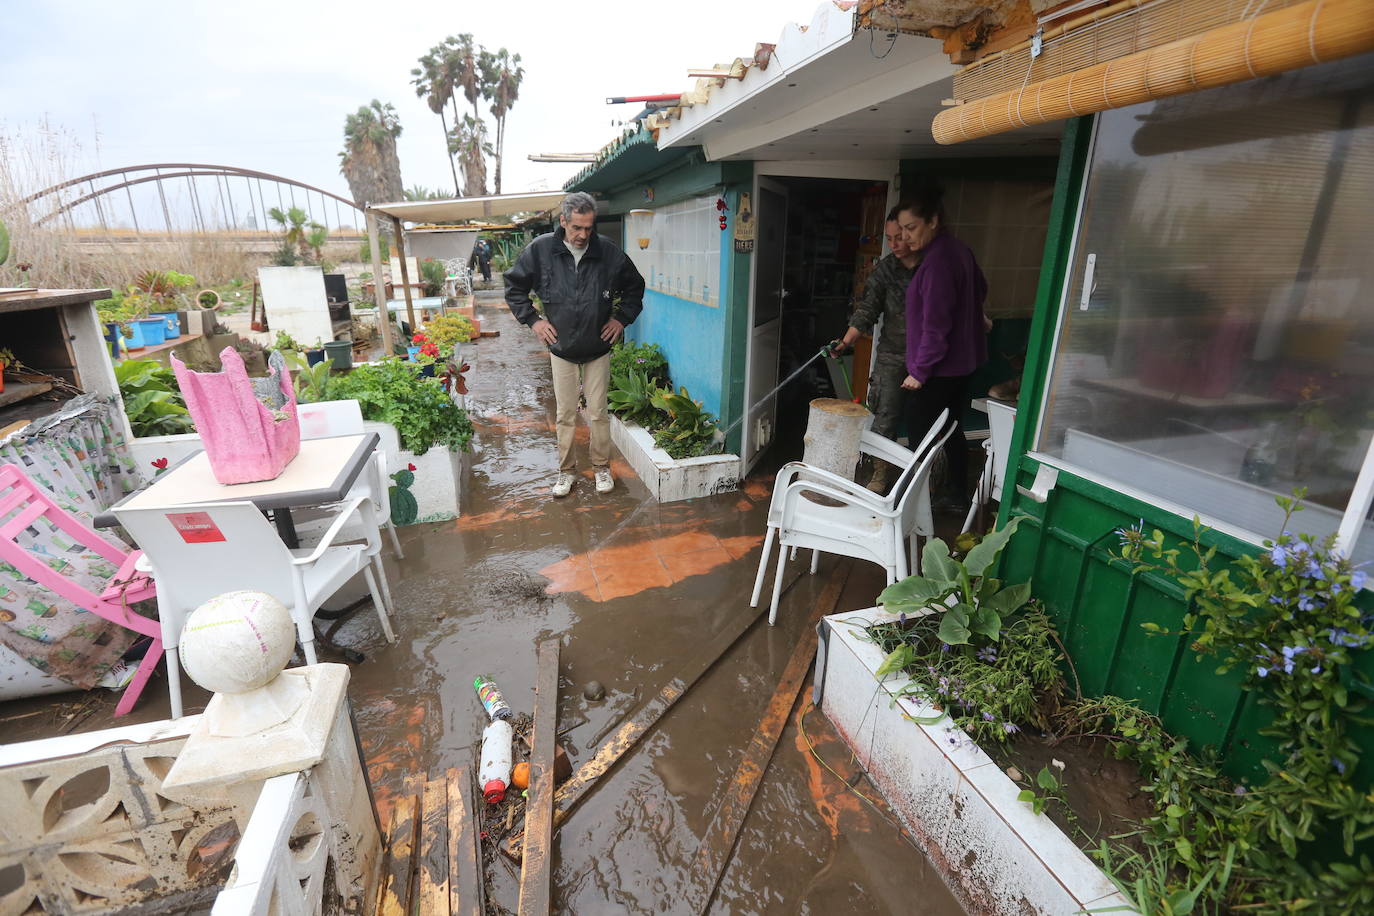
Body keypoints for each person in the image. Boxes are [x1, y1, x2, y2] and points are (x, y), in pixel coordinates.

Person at [505, 192, 646, 498]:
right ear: (564, 222)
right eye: (577, 228)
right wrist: (535, 321)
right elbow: (515, 288)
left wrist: (620, 319)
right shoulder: (541, 250)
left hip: (597, 347)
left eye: (589, 228)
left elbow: (635, 287)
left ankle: (601, 469)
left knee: (597, 412)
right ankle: (566, 472)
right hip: (562, 348)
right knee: (565, 414)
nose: (583, 235)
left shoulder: (607, 252)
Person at [896, 187, 988, 511]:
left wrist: (919, 372)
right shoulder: (959, 251)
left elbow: (936, 326)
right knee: (951, 429)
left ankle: (914, 504)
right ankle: (956, 494)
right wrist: (975, 316)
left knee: (920, 431)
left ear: (933, 221)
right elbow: (980, 289)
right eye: (902, 229)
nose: (906, 237)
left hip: (939, 368)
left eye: (912, 228)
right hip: (961, 365)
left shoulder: (937, 262)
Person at [832, 205, 922, 492]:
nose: (894, 244)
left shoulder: (934, 268)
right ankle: (880, 475)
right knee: (885, 415)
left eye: (900, 237)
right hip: (893, 355)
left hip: (931, 357)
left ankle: (925, 479)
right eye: (890, 237)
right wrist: (846, 342)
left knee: (927, 420)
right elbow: (867, 309)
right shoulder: (886, 269)